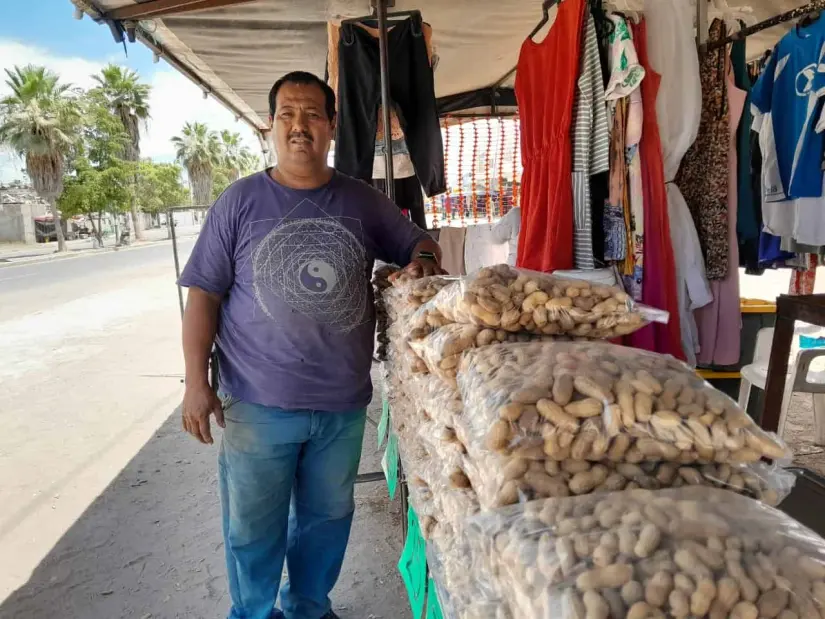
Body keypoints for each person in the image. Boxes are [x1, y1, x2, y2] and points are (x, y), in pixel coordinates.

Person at [178, 70, 443, 619]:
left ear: (331, 126)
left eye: (312, 115)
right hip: (257, 404)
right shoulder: (239, 202)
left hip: (341, 407)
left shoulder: (363, 201)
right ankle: (253, 613)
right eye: (287, 114)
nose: (299, 125)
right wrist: (195, 384)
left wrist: (421, 262)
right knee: (253, 527)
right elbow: (202, 295)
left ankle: (307, 608)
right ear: (271, 126)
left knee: (326, 520)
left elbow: (418, 242)